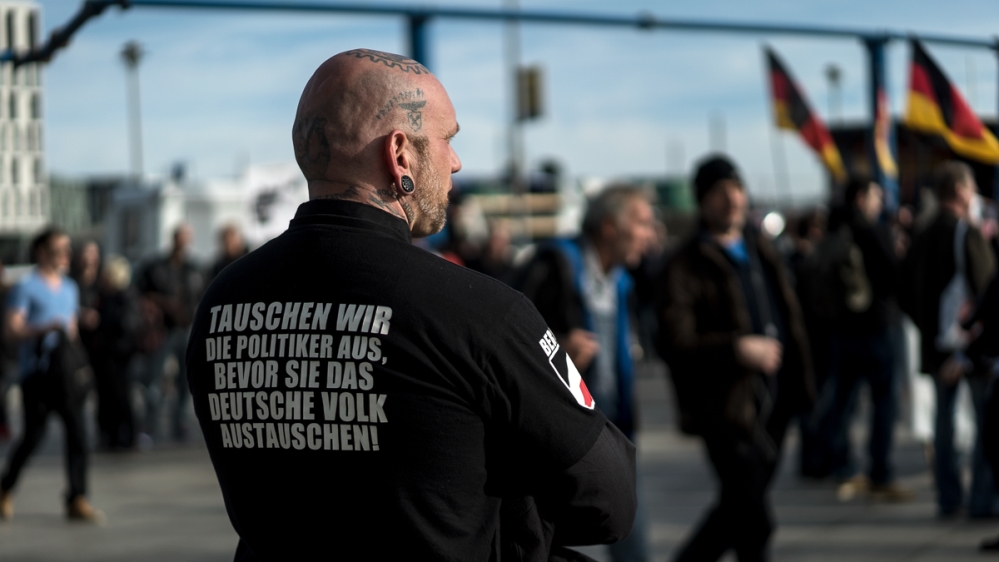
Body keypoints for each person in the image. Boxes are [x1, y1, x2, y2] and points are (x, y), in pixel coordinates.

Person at [186, 48, 637, 561]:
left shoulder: (221, 303)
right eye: (448, 140)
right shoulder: (478, 310)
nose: (457, 162)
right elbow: (610, 501)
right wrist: (503, 511)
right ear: (400, 154)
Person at [656, 155, 814, 562]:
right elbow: (675, 342)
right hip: (726, 411)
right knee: (754, 516)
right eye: (720, 192)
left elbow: (791, 316)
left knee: (742, 513)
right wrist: (736, 349)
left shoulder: (761, 248)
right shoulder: (685, 262)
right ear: (702, 201)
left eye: (737, 189)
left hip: (775, 406)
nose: (733, 199)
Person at [515, 184, 656, 562]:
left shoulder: (621, 280)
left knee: (632, 536)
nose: (651, 234)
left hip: (613, 430)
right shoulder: (554, 264)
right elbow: (505, 339)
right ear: (610, 227)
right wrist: (556, 351)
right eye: (642, 222)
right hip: (563, 441)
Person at [900, 160, 997, 517]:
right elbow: (988, 291)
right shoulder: (966, 233)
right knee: (987, 422)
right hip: (971, 347)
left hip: (936, 345)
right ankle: (983, 500)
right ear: (959, 190)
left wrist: (930, 328)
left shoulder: (921, 235)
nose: (974, 196)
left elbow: (904, 292)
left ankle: (948, 496)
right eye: (970, 189)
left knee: (944, 421)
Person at [811, 177, 912, 501]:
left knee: (844, 402)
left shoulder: (834, 232)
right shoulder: (872, 231)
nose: (880, 201)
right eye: (875, 195)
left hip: (842, 330)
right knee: (884, 404)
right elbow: (896, 276)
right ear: (860, 198)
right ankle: (880, 471)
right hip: (879, 327)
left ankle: (843, 466)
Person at [0, 228, 103, 522]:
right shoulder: (26, 287)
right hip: (38, 375)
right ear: (42, 252)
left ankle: (77, 497)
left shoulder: (70, 288)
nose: (66, 256)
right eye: (60, 250)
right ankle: (5, 488)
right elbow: (12, 329)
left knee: (78, 435)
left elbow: (71, 332)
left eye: (68, 249)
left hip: (66, 376)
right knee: (33, 437)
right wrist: (45, 328)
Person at [137, 224, 205, 444]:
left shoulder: (193, 269)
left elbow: (202, 295)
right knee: (155, 380)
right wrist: (164, 304)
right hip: (163, 330)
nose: (183, 243)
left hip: (187, 329)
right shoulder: (156, 266)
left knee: (187, 382)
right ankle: (149, 426)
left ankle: (179, 424)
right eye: (180, 238)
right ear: (174, 239)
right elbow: (142, 292)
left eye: (187, 239)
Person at [93, 256, 142, 450]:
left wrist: (101, 322)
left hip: (121, 355)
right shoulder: (105, 295)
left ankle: (127, 436)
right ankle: (111, 435)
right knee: (108, 397)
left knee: (123, 397)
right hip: (107, 355)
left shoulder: (126, 295)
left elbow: (127, 324)